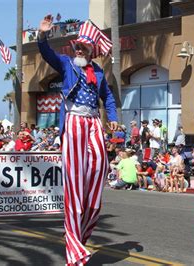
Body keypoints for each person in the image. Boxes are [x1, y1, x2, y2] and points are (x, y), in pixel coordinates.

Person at [38, 14, 118, 265]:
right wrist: (42, 35)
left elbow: (109, 97)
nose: (80, 48)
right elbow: (46, 53)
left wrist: (113, 116)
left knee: (98, 174)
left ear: (92, 50)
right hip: (73, 122)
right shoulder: (67, 64)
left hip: (93, 122)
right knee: (74, 183)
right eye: (78, 45)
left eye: (84, 46)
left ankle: (80, 238)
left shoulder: (98, 71)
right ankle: (74, 247)